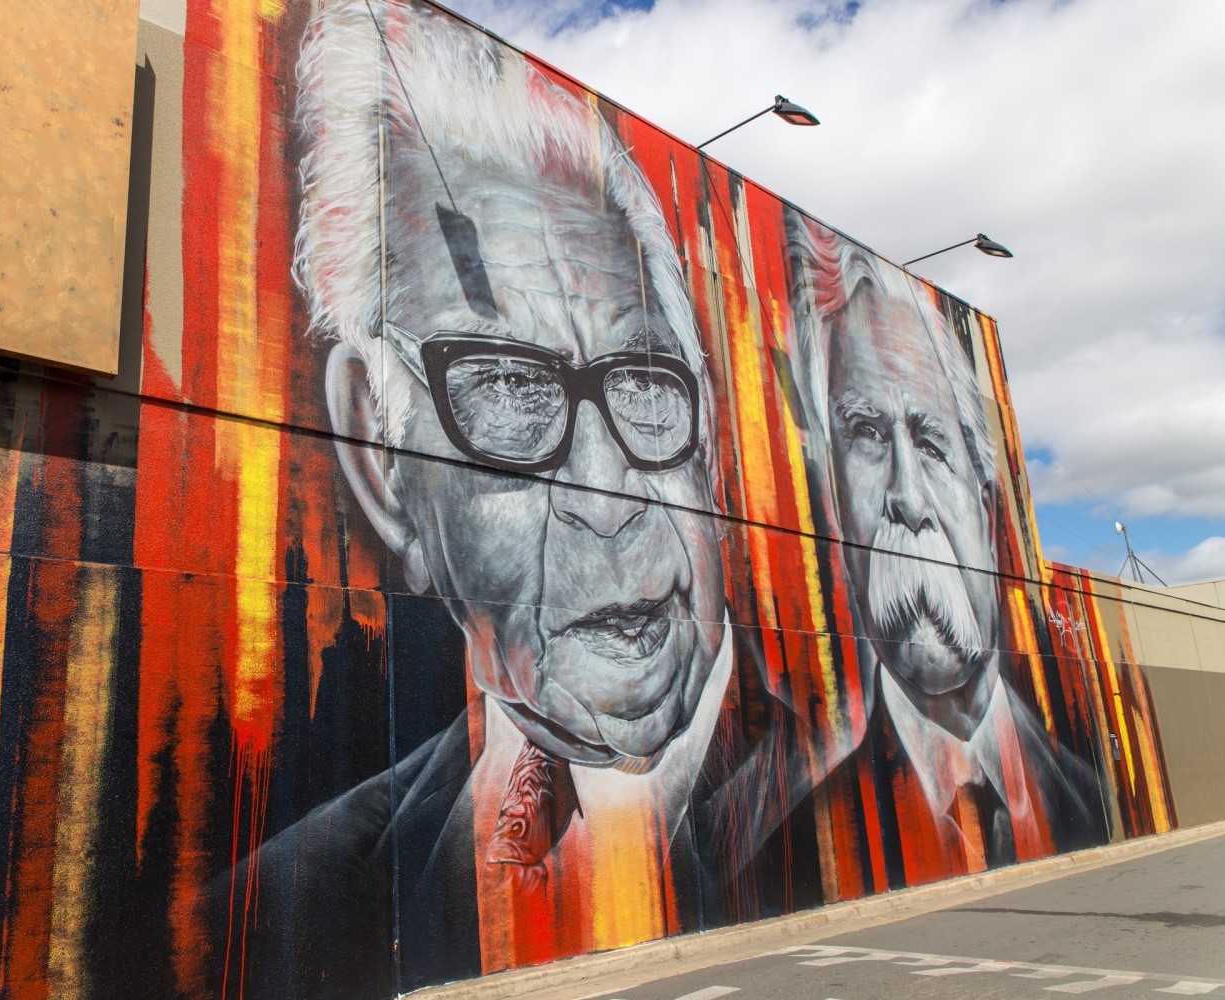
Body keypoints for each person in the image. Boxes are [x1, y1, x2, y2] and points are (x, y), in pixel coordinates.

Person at [226, 2, 805, 995]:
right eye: (507, 388)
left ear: (706, 421)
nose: (607, 493)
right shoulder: (290, 893)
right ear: (378, 449)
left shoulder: (839, 781)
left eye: (643, 384)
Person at [787, 214, 1104, 877]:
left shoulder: (1095, 794)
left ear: (987, 512)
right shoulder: (797, 848)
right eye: (867, 435)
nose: (908, 496)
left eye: (931, 445)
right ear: (838, 514)